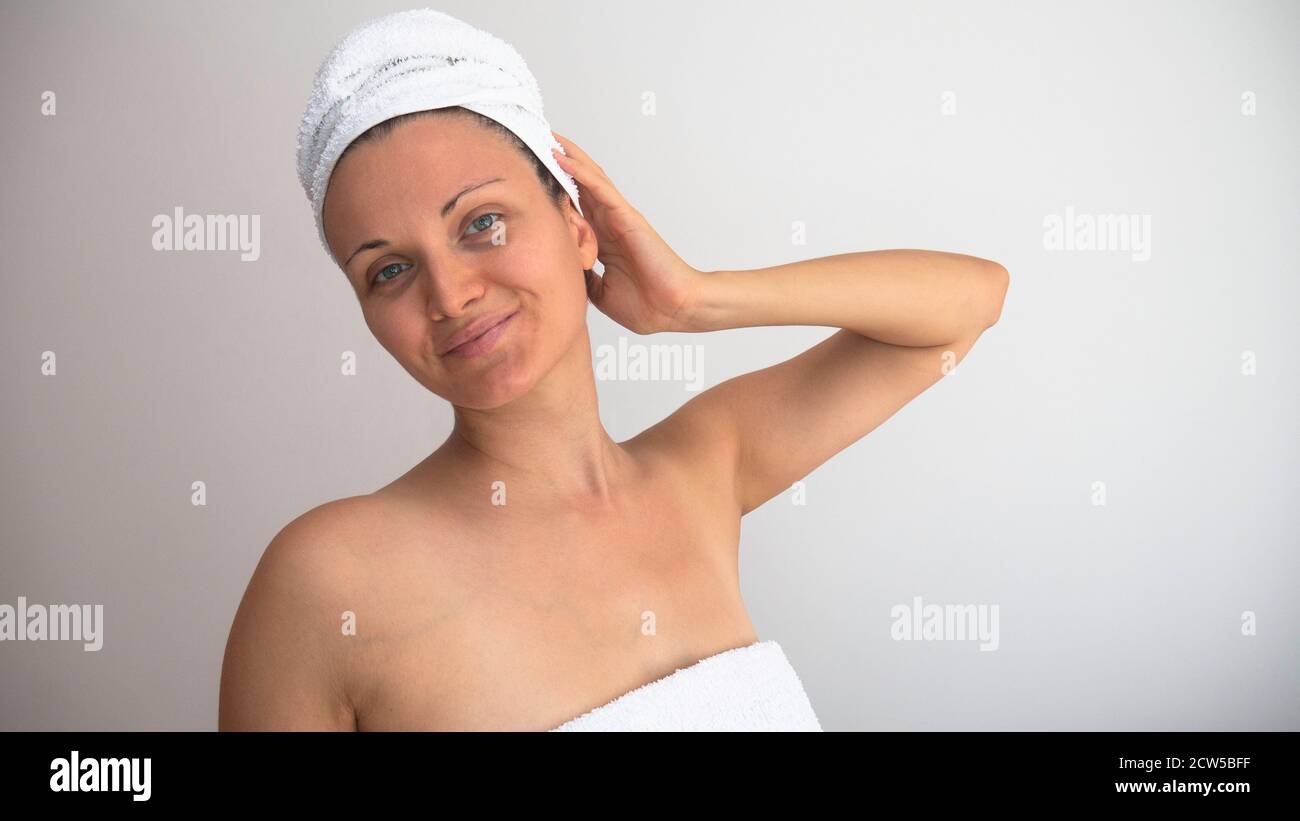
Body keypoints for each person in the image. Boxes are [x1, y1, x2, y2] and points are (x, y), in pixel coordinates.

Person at [219, 10, 1008, 732]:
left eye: (482, 222)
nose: (451, 295)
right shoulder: (326, 583)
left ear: (577, 223)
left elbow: (969, 300)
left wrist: (693, 299)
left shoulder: (703, 470)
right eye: (388, 270)